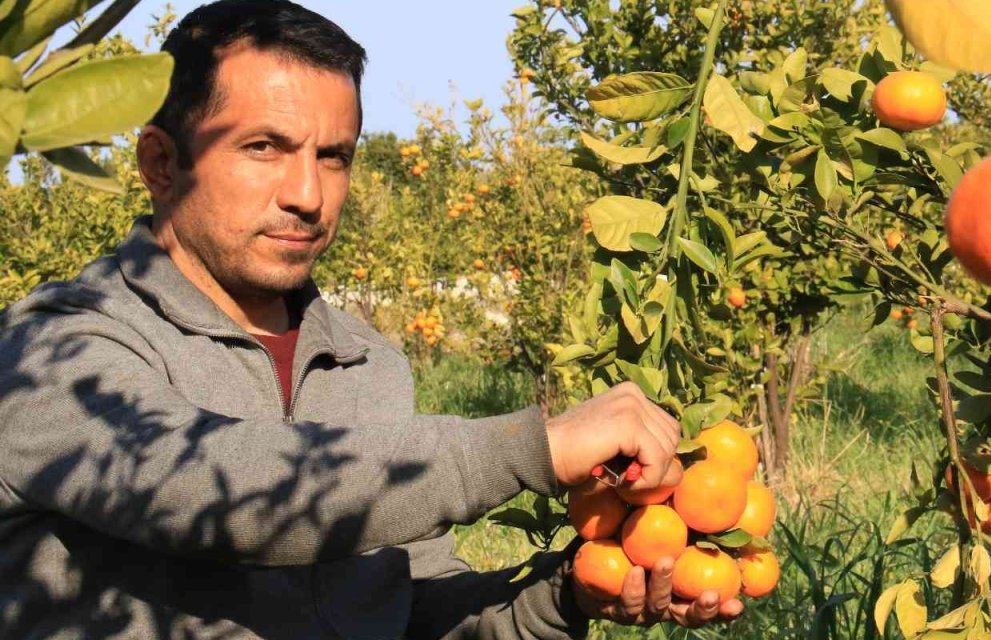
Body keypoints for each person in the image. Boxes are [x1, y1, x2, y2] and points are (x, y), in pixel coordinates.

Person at [0, 1, 743, 637]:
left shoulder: (367, 363)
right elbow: (220, 487)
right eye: (264, 148)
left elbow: (408, 609)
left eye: (333, 157)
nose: (307, 194)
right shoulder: (52, 352)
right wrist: (530, 448)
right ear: (162, 164)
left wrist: (569, 594)